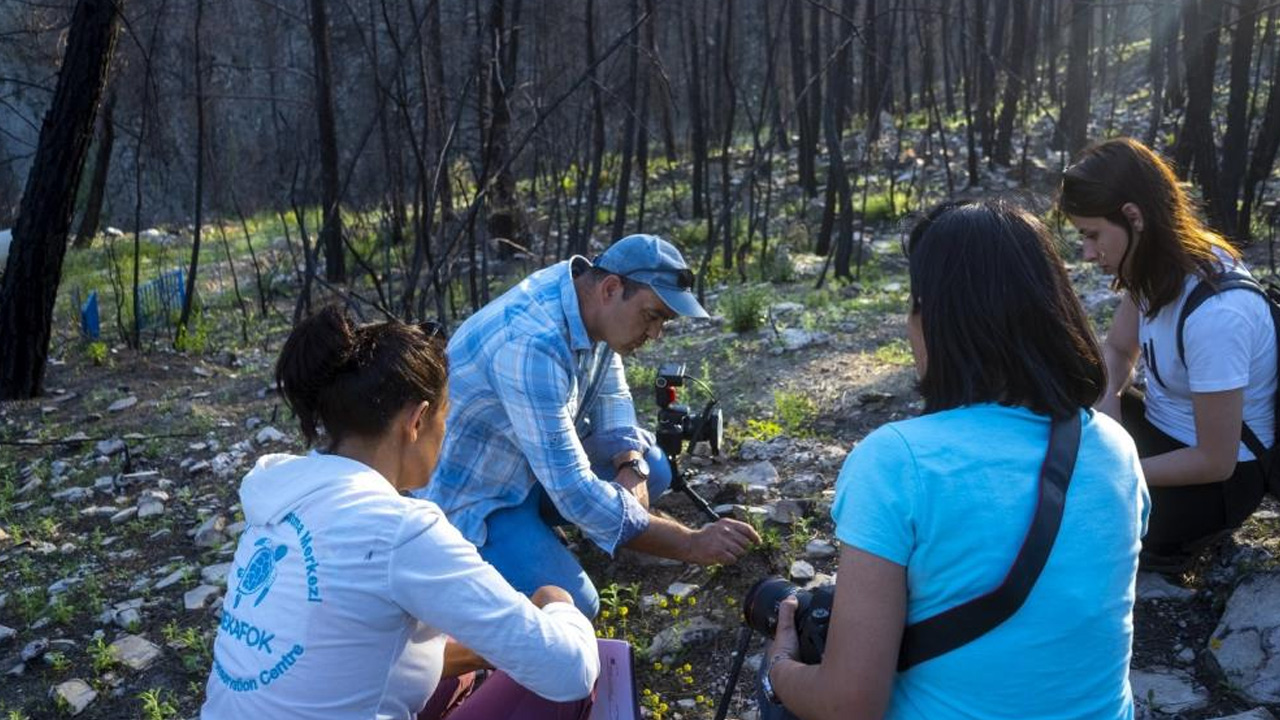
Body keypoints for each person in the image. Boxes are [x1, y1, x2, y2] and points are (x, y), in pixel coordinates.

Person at [764, 202, 1149, 719]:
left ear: (933, 317)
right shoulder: (1114, 446)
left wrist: (781, 664)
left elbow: (848, 705)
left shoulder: (897, 461)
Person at [201, 306, 599, 720]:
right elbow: (568, 671)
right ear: (416, 421)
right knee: (563, 686)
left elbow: (338, 653)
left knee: (454, 675)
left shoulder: (279, 491)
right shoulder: (401, 529)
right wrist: (558, 604)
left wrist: (488, 650)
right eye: (446, 418)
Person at [420, 233, 759, 617]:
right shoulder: (532, 343)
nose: (655, 334)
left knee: (654, 466)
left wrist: (628, 461)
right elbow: (573, 491)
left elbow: (609, 389)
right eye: (652, 316)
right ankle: (501, 554)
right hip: (479, 497)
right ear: (612, 288)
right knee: (576, 608)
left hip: (530, 466)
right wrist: (690, 544)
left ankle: (574, 532)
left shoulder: (583, 295)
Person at [1060, 137, 1277, 571]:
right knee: (1056, 399)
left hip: (1218, 484)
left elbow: (1216, 460)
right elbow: (1120, 349)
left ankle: (1177, 543)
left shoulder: (1217, 312)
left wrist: (1118, 471)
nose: (1087, 253)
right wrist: (1109, 415)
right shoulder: (1154, 266)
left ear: (1133, 216)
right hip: (1165, 435)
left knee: (1072, 513)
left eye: (1092, 235)